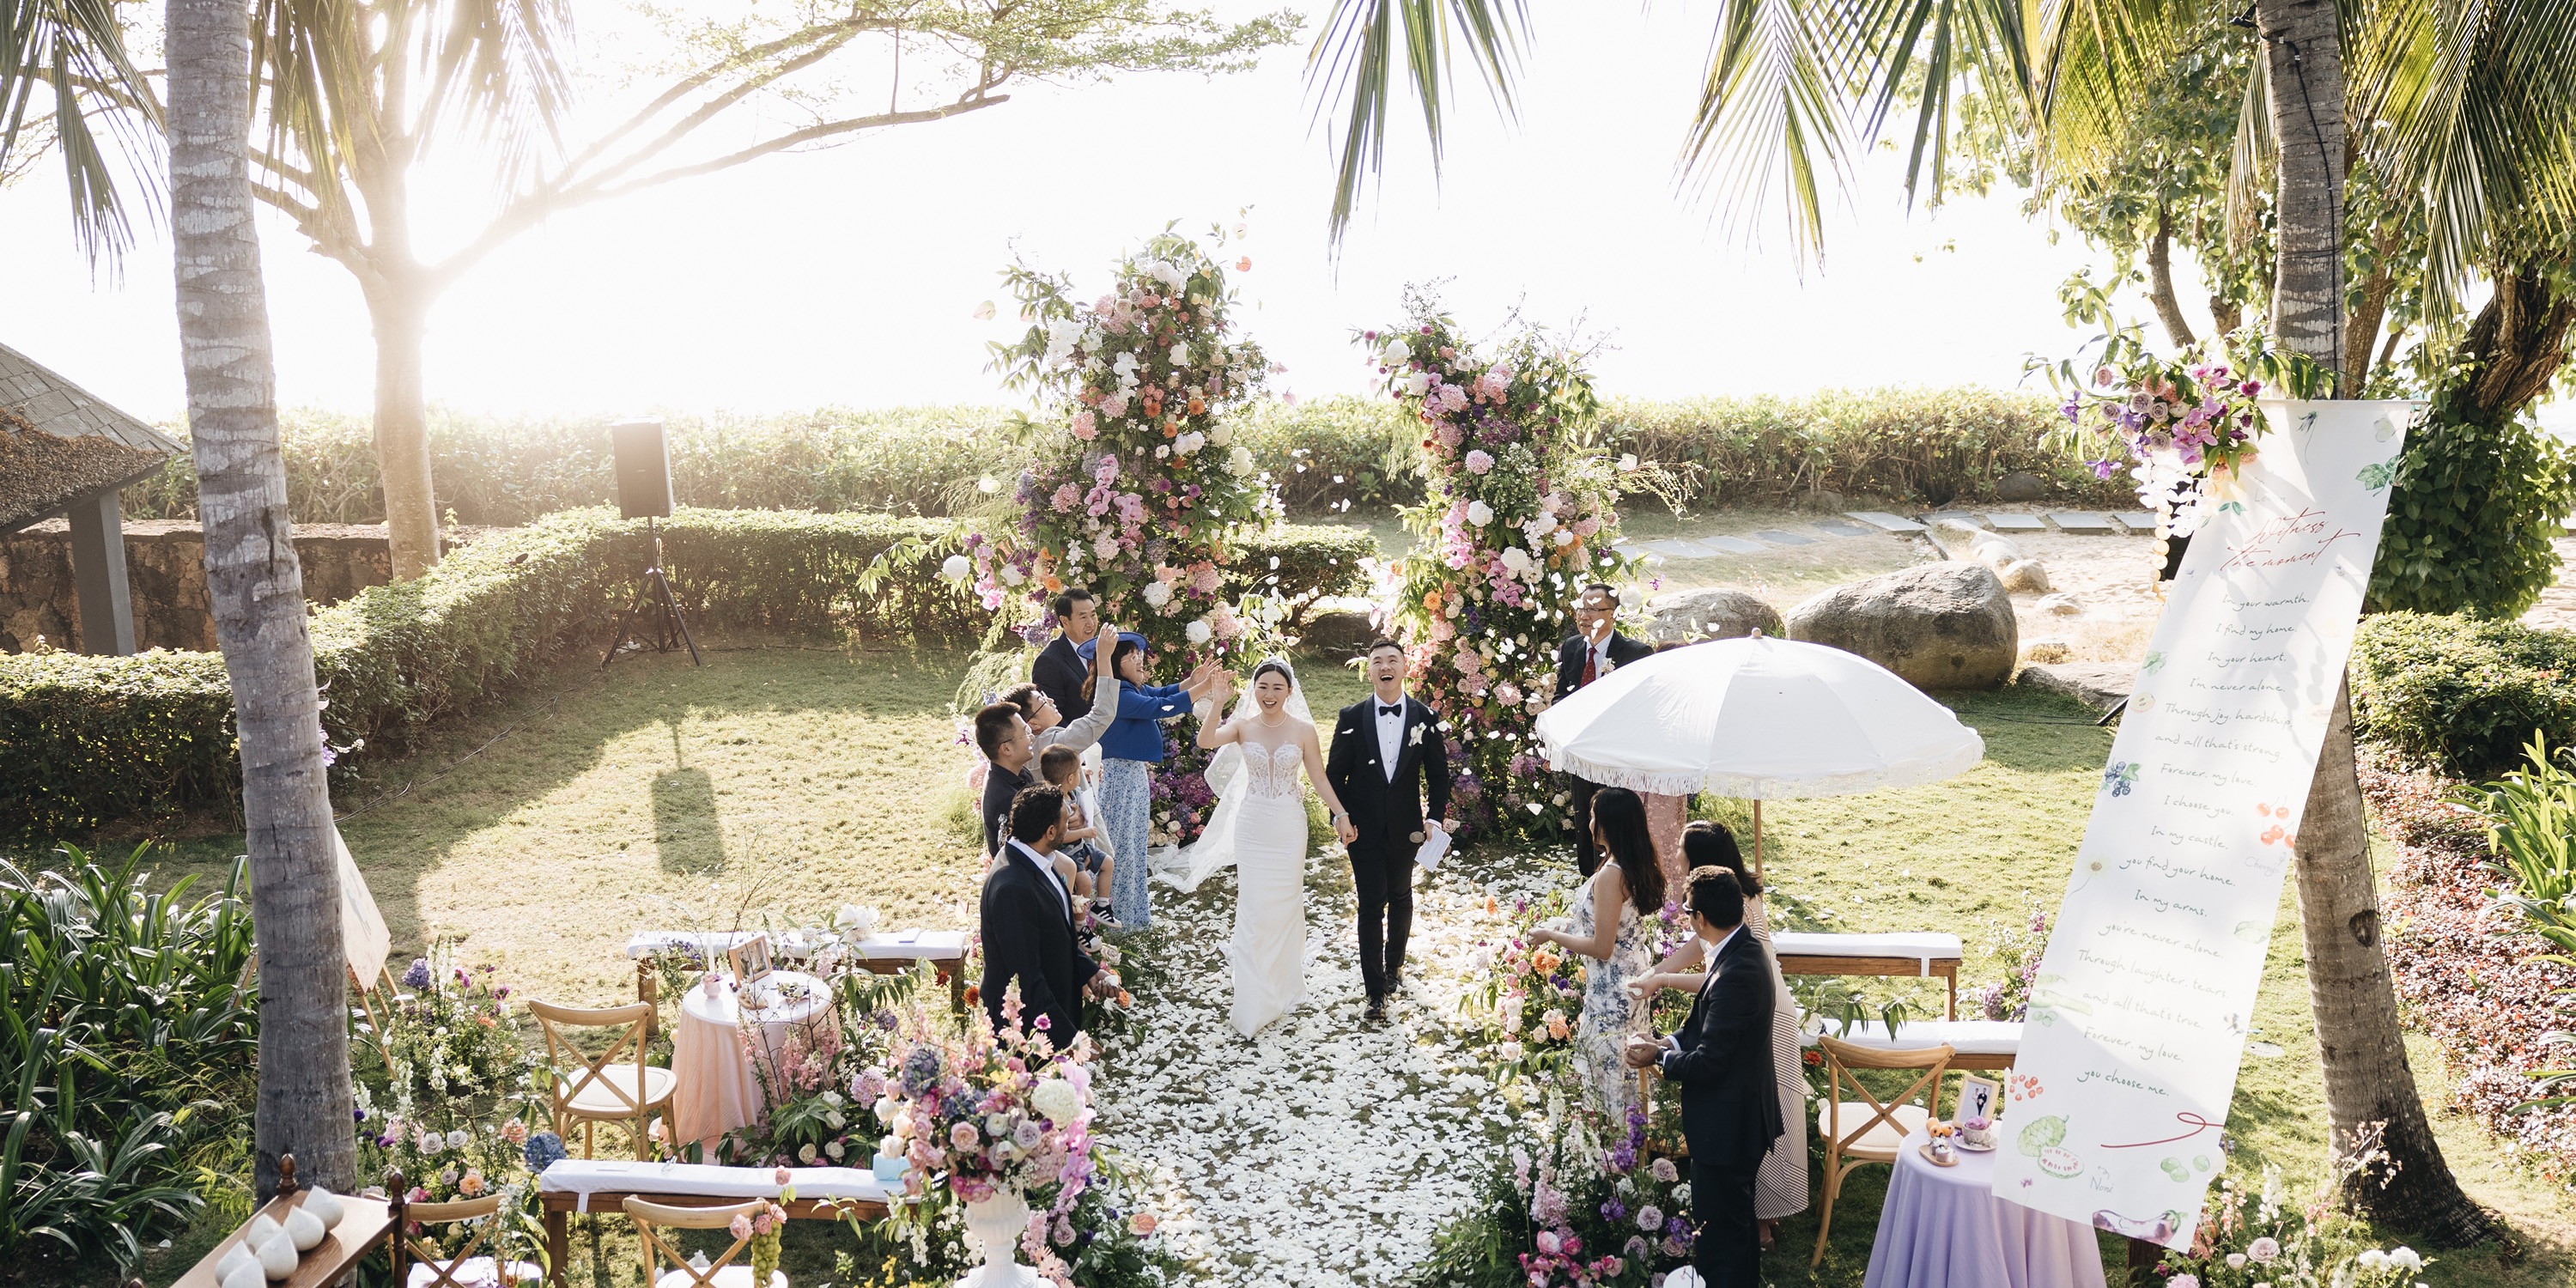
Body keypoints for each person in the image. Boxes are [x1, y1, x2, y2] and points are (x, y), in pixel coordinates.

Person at [1633, 820, 1808, 1242]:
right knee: (1756, 1105)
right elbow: (1700, 951)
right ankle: (1756, 1215)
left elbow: (1720, 979)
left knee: (1754, 1105)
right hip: (1764, 1007)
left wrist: (1661, 979)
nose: (1676, 854)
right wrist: (1656, 974)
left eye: (1681, 848)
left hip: (1767, 1017)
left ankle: (1759, 1218)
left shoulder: (1737, 908)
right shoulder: (1730, 901)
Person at [1625, 866, 1782, 1288]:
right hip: (1737, 1116)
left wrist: (1658, 1058)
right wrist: (1667, 1042)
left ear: (1701, 918)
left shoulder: (1737, 971)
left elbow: (1711, 1061)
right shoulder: (1738, 947)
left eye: (1688, 911)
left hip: (1729, 1126)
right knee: (1736, 1225)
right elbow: (1707, 1028)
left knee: (1719, 1238)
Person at [1181, 658, 1352, 1037]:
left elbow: (1318, 778)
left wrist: (1340, 814)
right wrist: (1218, 702)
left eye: (1277, 687)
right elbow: (1206, 741)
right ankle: (1253, 998)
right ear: (1253, 690)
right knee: (1254, 910)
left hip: (1288, 828)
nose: (1269, 694)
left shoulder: (1304, 730)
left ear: (1289, 691)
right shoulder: (1243, 726)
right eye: (1263, 687)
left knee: (1285, 906)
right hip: (1253, 827)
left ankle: (1282, 984)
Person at [1324, 638, 1451, 1024]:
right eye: (1377, 661)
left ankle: (1394, 965)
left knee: (1400, 895)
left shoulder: (1426, 717)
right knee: (1369, 905)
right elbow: (1335, 774)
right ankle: (1375, 992)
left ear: (1404, 668)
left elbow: (1439, 774)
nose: (1385, 666)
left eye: (1392, 660)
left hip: (1407, 827)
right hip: (1361, 829)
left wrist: (1434, 818)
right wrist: (1340, 816)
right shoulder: (1351, 717)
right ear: (1369, 671)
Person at [1528, 786, 1664, 1119]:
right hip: (1633, 976)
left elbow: (1602, 947)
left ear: (1609, 824)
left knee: (1609, 1063)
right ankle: (1633, 1130)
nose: (1589, 823)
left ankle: (1613, 1132)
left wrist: (1552, 935)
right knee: (1628, 1061)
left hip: (1612, 986)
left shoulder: (1611, 875)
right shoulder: (1633, 863)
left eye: (1593, 816)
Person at [1092, 632, 1218, 932]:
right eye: (1132, 656)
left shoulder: (1130, 688)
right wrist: (1203, 688)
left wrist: (1191, 682)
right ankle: (1116, 921)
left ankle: (1132, 919)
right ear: (1115, 662)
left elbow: (1161, 695)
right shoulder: (1118, 694)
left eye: (1139, 655)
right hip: (1119, 777)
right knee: (1121, 849)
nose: (1140, 661)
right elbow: (1160, 708)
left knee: (1133, 848)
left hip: (1132, 775)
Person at [980, 785, 1116, 1047]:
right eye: (1066, 821)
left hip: (1050, 1007)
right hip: (1024, 1031)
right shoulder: (1012, 888)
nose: (1071, 825)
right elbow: (1025, 977)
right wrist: (1070, 1039)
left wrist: (1090, 971)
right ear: (1050, 832)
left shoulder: (1036, 858)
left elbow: (1055, 936)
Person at [1555, 584, 1653, 876]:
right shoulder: (1572, 647)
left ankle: (1622, 876)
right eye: (1581, 608)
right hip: (1581, 751)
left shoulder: (1636, 653)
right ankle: (1590, 879)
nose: (1584, 616)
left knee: (1616, 818)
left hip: (1616, 753)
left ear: (1613, 614)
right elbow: (1561, 694)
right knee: (1585, 816)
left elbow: (1643, 708)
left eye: (1593, 609)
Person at [1002, 615, 1122, 756]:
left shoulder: (1036, 747)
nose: (1051, 700)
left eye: (1093, 614)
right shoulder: (1051, 746)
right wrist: (1103, 657)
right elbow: (1103, 714)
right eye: (1042, 700)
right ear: (1033, 724)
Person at [1038, 744, 1112, 917]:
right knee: (1085, 883)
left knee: (1108, 862)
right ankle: (1079, 922)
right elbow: (1060, 837)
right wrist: (1085, 832)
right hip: (1067, 852)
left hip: (1080, 846)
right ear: (1070, 778)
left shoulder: (1074, 793)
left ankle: (1102, 905)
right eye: (1079, 772)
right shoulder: (1055, 804)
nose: (1081, 775)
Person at [974, 702, 1038, 858]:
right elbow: (1025, 853)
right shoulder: (1006, 799)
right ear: (1006, 749)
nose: (1032, 737)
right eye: (1026, 733)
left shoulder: (1020, 772)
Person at [1031, 587, 1102, 723]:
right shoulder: (1049, 662)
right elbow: (1052, 719)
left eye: (1093, 615)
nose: (1091, 623)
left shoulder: (1102, 648)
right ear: (1065, 621)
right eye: (1083, 617)